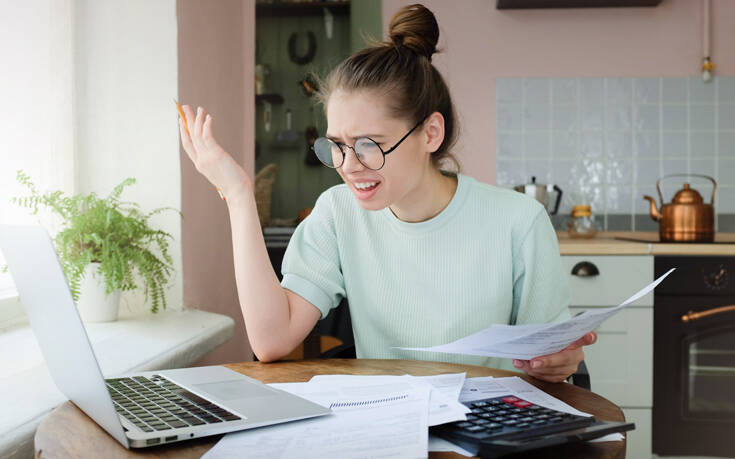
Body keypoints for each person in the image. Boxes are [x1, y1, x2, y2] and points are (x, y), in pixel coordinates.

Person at [177, 3, 596, 383]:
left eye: (368, 144)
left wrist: (558, 362)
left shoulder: (519, 221)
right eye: (336, 145)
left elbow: (550, 361)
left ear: (431, 133)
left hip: (489, 427)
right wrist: (237, 194)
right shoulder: (338, 212)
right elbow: (271, 340)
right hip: (387, 427)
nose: (348, 165)